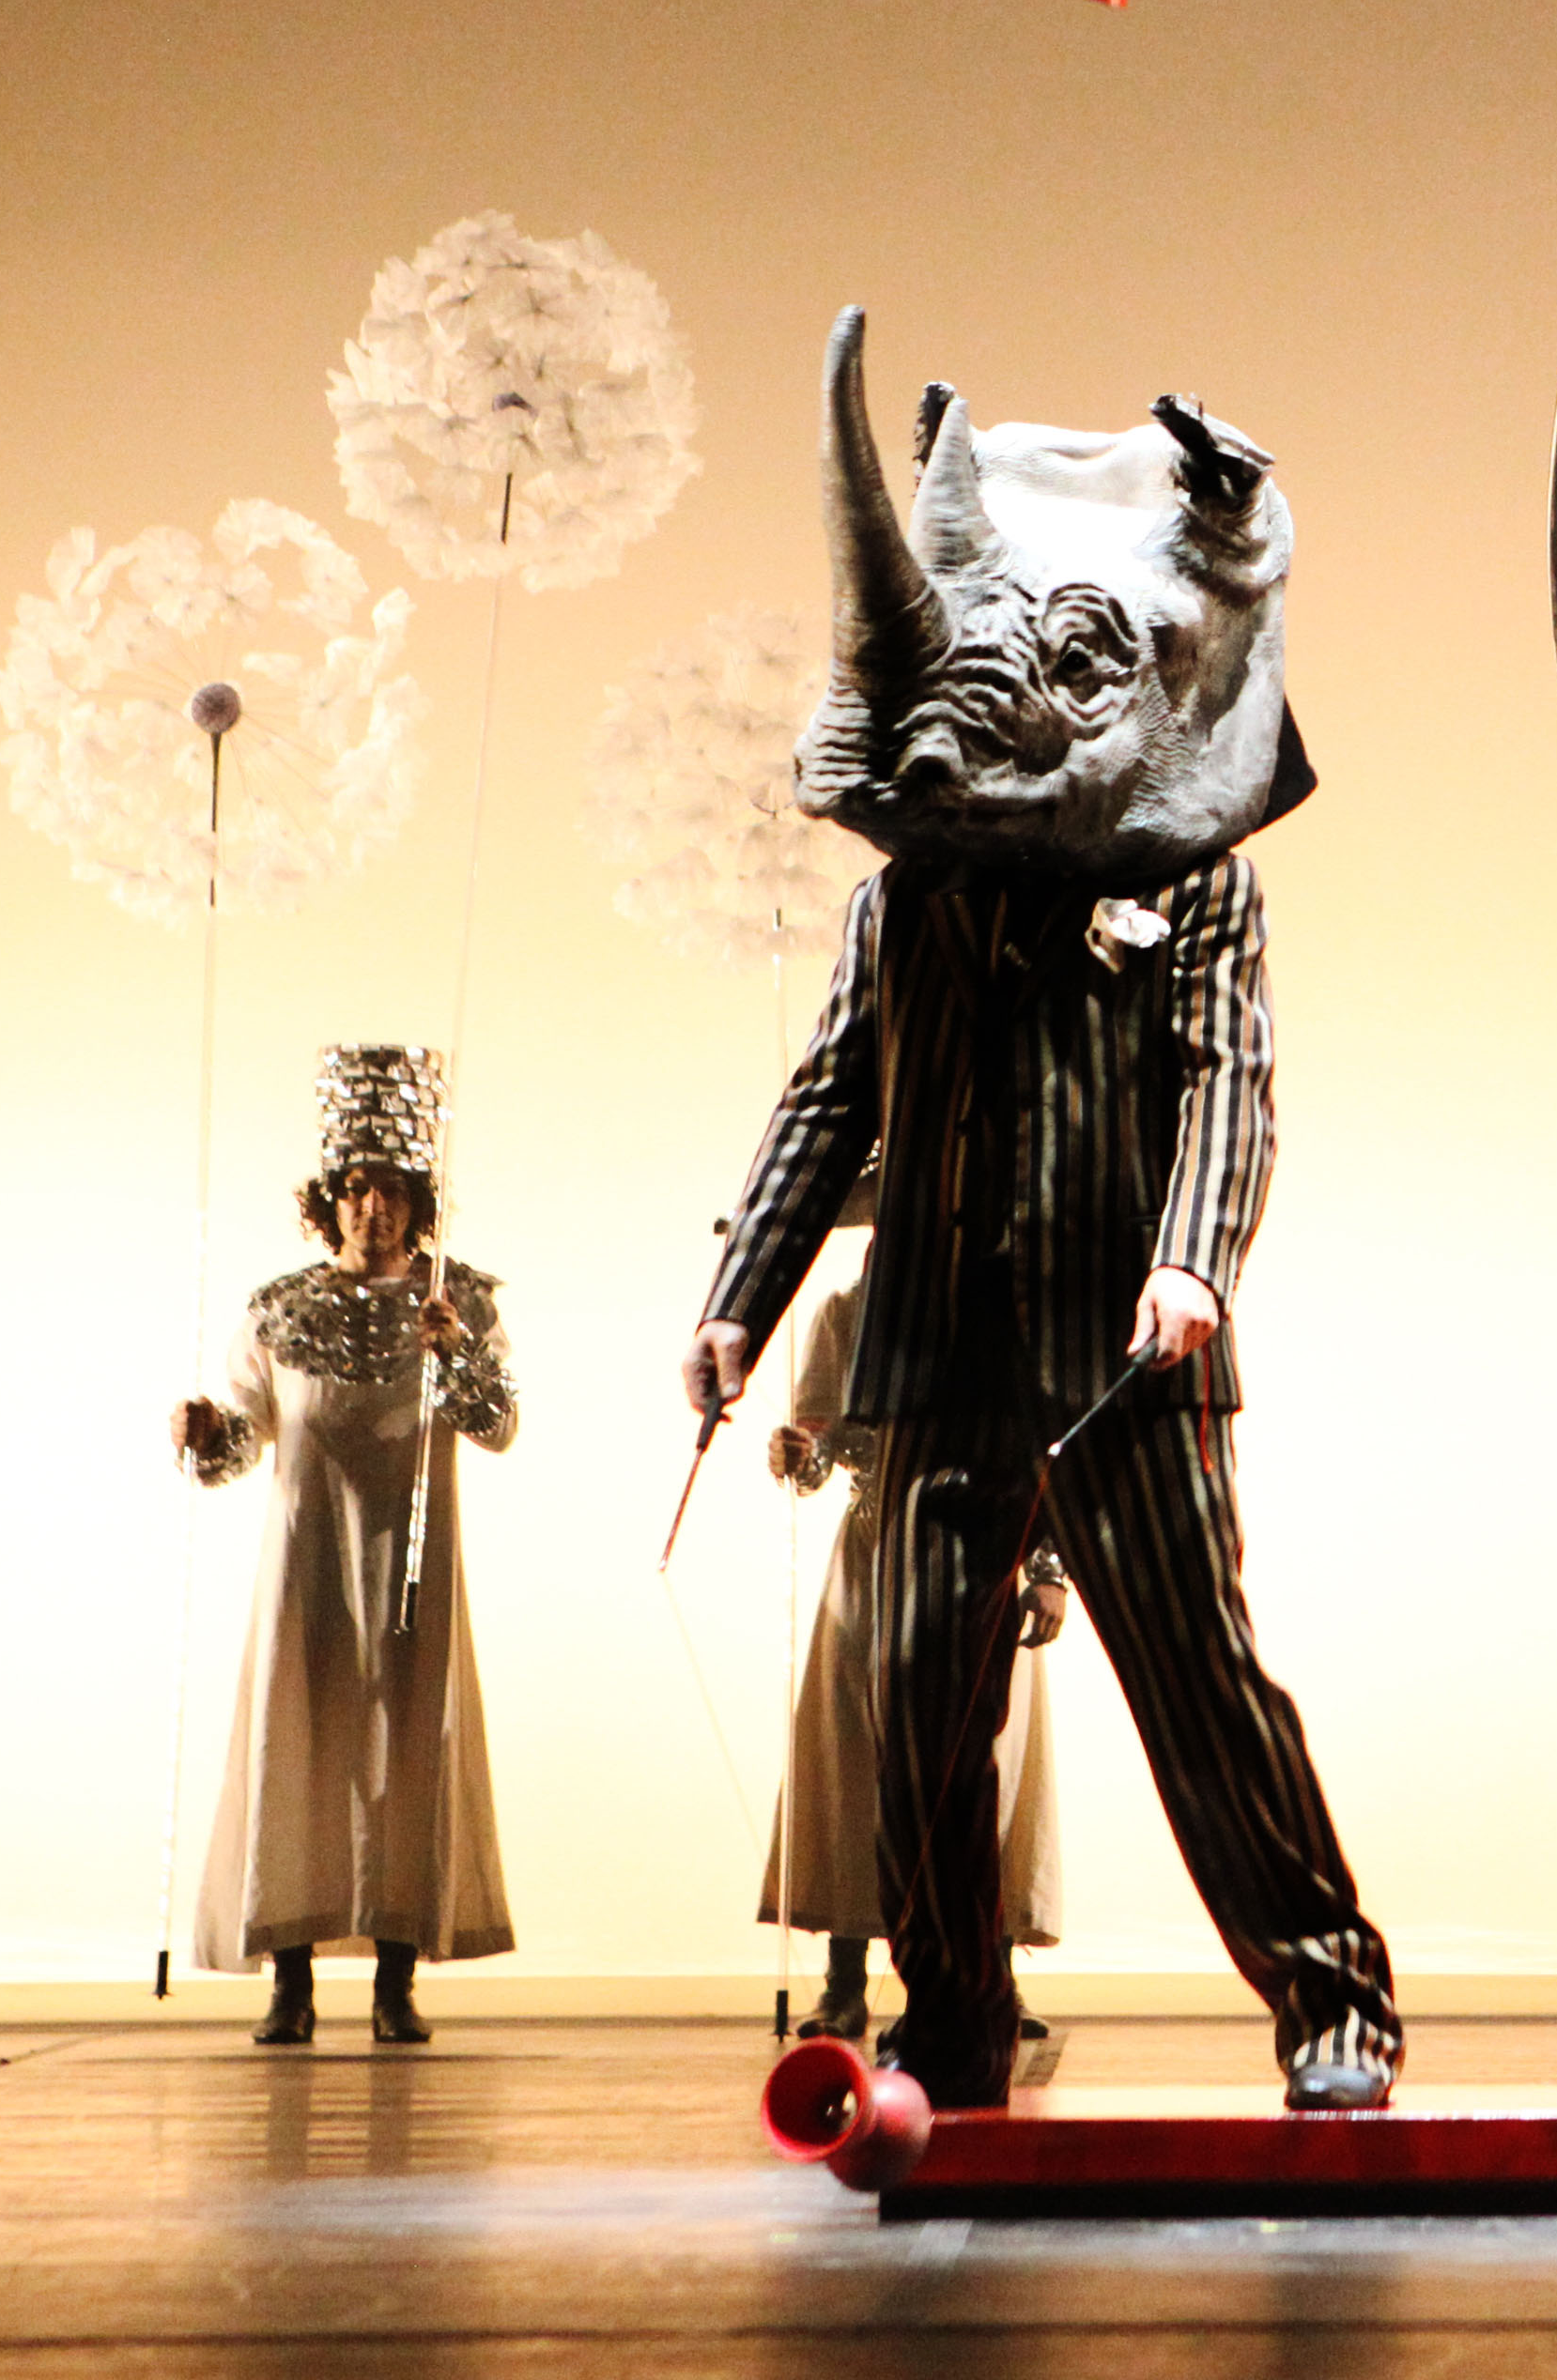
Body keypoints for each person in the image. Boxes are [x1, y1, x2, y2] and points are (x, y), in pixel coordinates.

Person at [686, 306, 1397, 2117]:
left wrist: (1191, 1257)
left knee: (1199, 1682)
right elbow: (830, 1093)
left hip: (1124, 1356)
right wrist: (740, 1296)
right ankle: (955, 2019)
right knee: (916, 1697)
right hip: (934, 1353)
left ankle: (1332, 1995)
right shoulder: (908, 897)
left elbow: (1229, 1079)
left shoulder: (1198, 880)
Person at [173, 1045, 518, 2045]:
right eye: (357, 1188)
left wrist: (458, 1354)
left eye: (393, 1189)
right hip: (309, 1566)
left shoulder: (462, 1303)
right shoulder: (280, 1309)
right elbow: (241, 1440)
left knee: (406, 1755)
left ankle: (395, 1983)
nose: (375, 1208)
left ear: (418, 1203)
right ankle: (290, 1981)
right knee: (300, 1750)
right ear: (331, 1200)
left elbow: (499, 1425)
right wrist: (205, 1433)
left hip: (412, 1566)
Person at [759, 1214, 1072, 2048]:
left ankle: (988, 1976)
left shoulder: (1002, 1301)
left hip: (987, 1538)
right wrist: (798, 1454)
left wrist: (1047, 1566)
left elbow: (1042, 1441)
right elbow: (822, 1445)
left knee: (987, 1754)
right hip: (876, 1544)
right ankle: (846, 1982)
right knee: (855, 1757)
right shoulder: (848, 1311)